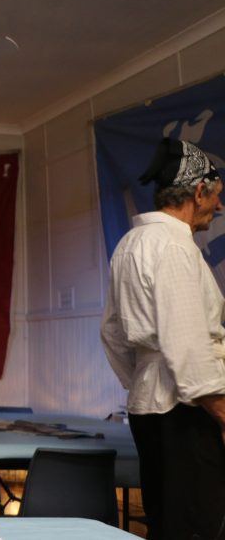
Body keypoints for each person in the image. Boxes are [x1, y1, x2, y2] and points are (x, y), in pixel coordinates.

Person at [101, 137, 225, 540]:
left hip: (149, 404)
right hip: (186, 411)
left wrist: (141, 377)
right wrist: (222, 413)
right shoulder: (173, 246)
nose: (219, 207)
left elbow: (112, 333)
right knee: (196, 527)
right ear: (199, 191)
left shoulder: (129, 244)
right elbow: (187, 342)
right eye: (217, 195)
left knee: (166, 521)